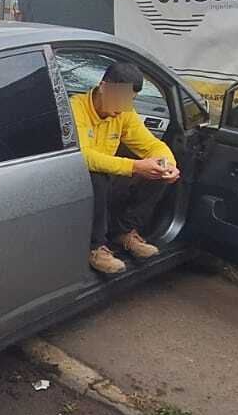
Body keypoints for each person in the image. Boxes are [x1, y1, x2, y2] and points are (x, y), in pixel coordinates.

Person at [71, 60, 179, 275]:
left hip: (108, 180)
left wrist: (167, 165)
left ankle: (123, 232)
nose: (124, 106)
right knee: (97, 174)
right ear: (104, 87)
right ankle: (95, 248)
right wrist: (135, 167)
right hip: (77, 184)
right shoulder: (76, 108)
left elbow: (151, 144)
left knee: (157, 172)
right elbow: (83, 157)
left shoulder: (125, 113)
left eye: (130, 100)